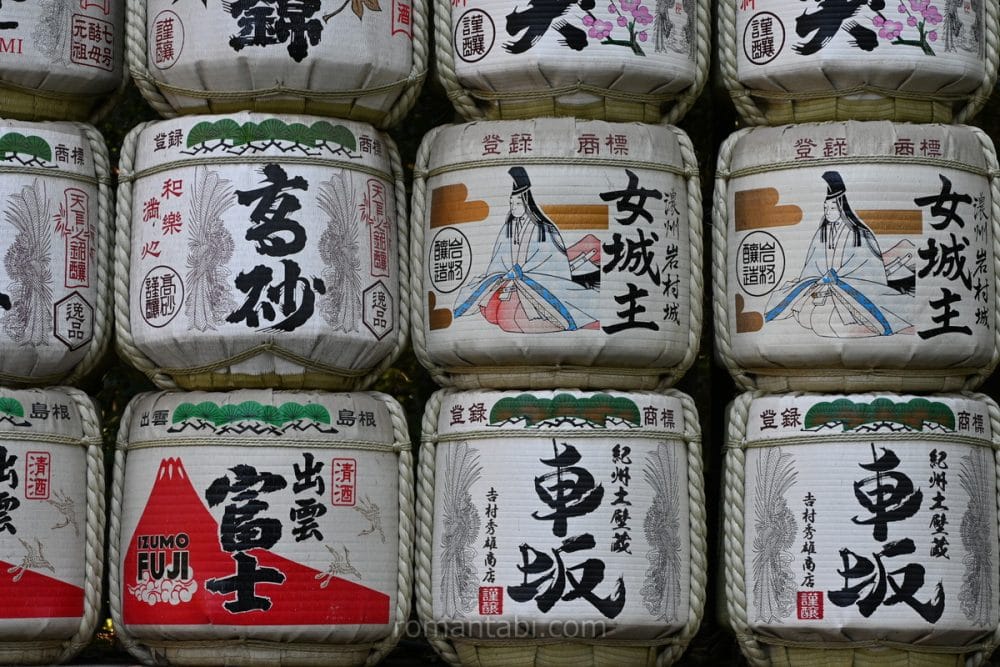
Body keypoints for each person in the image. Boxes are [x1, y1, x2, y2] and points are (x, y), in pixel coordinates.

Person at [764, 171, 912, 337]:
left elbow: (863, 268)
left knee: (827, 323)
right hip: (825, 287)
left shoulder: (859, 234)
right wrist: (818, 281)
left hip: (851, 291)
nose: (828, 212)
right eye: (825, 208)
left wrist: (833, 278)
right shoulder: (823, 233)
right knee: (804, 314)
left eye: (833, 207)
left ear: (842, 207)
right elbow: (812, 265)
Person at [453, 167, 598, 333]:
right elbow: (499, 259)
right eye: (511, 203)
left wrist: (520, 273)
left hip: (535, 284)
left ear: (527, 203)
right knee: (489, 310)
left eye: (517, 203)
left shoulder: (544, 229)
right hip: (510, 280)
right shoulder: (508, 228)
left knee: (509, 319)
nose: (513, 207)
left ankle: (560, 323)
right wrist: (502, 275)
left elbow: (549, 263)